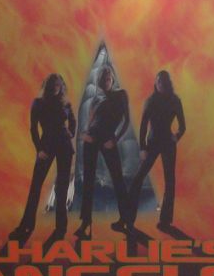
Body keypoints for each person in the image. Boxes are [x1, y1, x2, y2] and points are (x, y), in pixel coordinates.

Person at [9, 73, 75, 242]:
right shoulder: (38, 103)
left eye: (59, 85)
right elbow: (33, 129)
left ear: (62, 87)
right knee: (35, 186)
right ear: (48, 86)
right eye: (53, 85)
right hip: (46, 146)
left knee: (62, 187)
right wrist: (39, 149)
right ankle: (26, 225)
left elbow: (73, 122)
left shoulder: (65, 103)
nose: (56, 88)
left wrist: (71, 132)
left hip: (65, 146)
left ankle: (61, 228)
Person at [75, 65, 130, 240]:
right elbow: (91, 122)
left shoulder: (121, 94)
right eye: (102, 80)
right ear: (99, 82)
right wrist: (84, 135)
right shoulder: (96, 99)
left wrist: (115, 139)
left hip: (108, 139)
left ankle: (125, 219)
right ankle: (86, 222)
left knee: (118, 178)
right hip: (91, 139)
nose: (105, 82)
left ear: (112, 80)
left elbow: (126, 120)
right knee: (88, 180)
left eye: (108, 79)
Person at [127, 70, 185, 231]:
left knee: (170, 181)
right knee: (138, 178)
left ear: (167, 83)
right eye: (158, 82)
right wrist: (142, 148)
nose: (160, 84)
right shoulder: (151, 101)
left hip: (168, 144)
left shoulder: (175, 100)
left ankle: (165, 221)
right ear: (155, 83)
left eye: (162, 82)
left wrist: (177, 136)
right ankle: (128, 218)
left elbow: (183, 126)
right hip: (152, 143)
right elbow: (143, 125)